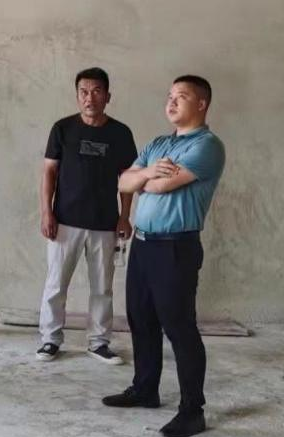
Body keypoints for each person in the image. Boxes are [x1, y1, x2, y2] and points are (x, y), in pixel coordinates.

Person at [102, 75, 225, 437]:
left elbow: (160, 185)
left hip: (176, 247)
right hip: (143, 243)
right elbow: (123, 182)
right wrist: (144, 174)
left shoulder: (207, 146)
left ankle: (192, 411)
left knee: (179, 327)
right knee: (140, 319)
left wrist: (143, 177)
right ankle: (145, 389)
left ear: (201, 104)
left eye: (181, 97)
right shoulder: (158, 143)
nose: (171, 102)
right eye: (169, 96)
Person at [36, 67, 137, 364]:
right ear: (77, 95)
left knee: (102, 288)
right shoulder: (62, 128)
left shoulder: (120, 133)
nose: (89, 98)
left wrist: (124, 216)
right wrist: (46, 212)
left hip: (105, 223)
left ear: (107, 96)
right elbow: (49, 173)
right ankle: (50, 339)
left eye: (96, 91)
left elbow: (127, 178)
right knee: (56, 284)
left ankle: (99, 342)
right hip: (64, 221)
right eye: (83, 92)